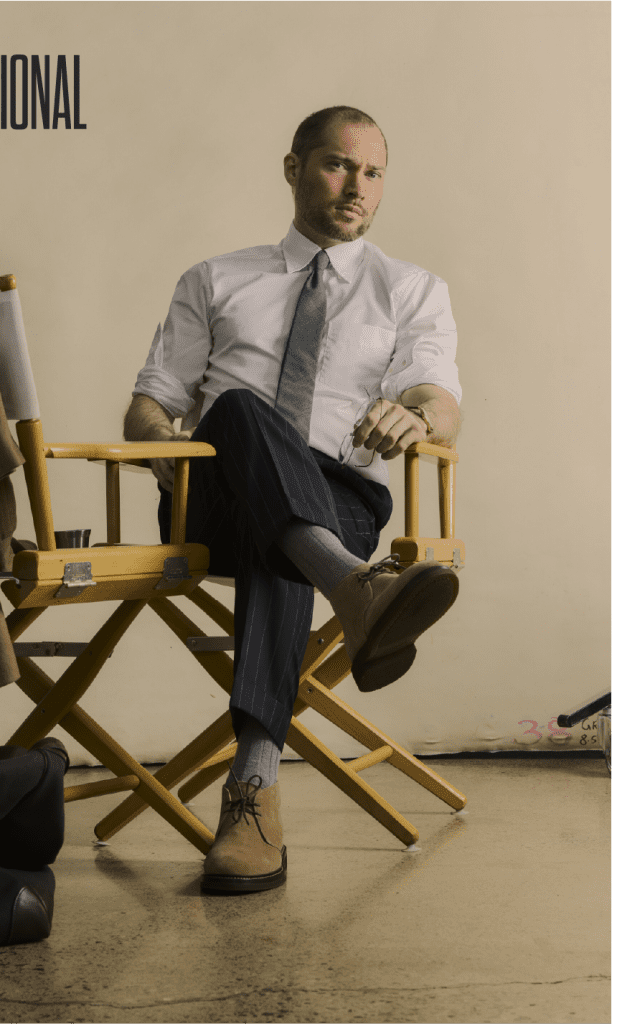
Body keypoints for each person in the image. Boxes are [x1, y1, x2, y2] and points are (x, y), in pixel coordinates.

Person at [124, 106, 462, 894]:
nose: (357, 187)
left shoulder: (411, 289)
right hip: (209, 492)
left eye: (373, 173)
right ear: (293, 168)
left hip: (340, 495)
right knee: (238, 411)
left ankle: (251, 787)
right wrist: (163, 444)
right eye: (339, 165)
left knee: (280, 536)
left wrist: (415, 413)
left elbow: (439, 399)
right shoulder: (215, 278)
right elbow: (152, 403)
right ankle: (354, 588)